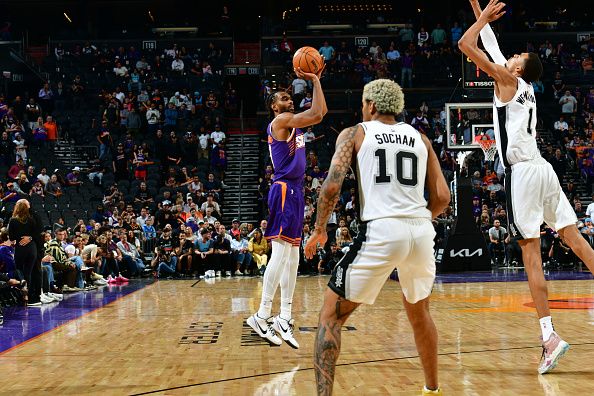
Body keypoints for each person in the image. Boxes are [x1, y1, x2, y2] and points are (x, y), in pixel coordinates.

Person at [459, 0, 594, 374]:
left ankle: (549, 338)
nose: (511, 54)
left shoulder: (506, 79)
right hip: (544, 169)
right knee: (576, 241)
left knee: (531, 254)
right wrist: (477, 8)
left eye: (516, 55)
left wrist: (482, 19)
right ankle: (548, 336)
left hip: (524, 173)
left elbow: (467, 47)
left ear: (518, 66)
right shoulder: (524, 84)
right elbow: (488, 40)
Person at [304, 78, 450, 395]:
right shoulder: (420, 137)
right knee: (420, 313)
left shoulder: (356, 132)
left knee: (330, 316)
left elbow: (331, 185)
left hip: (382, 230)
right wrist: (420, 219)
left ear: (370, 105)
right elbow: (442, 196)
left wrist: (319, 230)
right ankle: (432, 389)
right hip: (422, 232)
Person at [246, 64, 327, 349]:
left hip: (295, 191)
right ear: (273, 106)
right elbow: (317, 113)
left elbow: (320, 113)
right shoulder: (280, 123)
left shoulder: (295, 123)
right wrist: (316, 79)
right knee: (280, 255)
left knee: (293, 259)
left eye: (290, 98)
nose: (289, 100)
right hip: (282, 190)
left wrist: (316, 84)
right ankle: (262, 314)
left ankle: (284, 317)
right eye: (283, 98)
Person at [8, 199, 44, 306]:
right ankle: (28, 296)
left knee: (19, 269)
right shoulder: (31, 219)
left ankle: (23, 294)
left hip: (21, 248)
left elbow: (12, 237)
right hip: (32, 248)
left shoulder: (13, 220)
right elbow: (37, 232)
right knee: (29, 272)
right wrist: (30, 237)